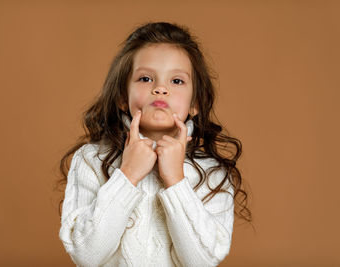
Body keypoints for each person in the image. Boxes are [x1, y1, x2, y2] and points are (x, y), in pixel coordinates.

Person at [57, 21, 252, 267]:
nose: (160, 89)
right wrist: (127, 176)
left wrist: (176, 181)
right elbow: (86, 255)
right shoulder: (90, 159)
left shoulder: (212, 173)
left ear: (196, 103)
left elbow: (202, 261)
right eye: (146, 78)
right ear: (121, 97)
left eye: (177, 81)